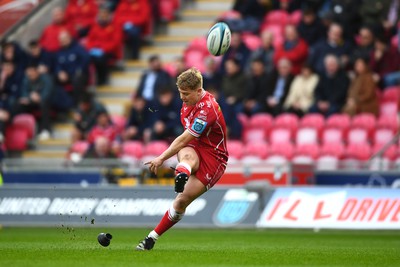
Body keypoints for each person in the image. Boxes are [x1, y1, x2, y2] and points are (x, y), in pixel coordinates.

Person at [136, 68, 229, 251]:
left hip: (214, 157)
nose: (182, 98)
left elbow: (184, 138)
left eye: (186, 94)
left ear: (198, 91)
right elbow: (187, 141)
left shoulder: (207, 109)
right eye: (180, 93)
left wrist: (161, 158)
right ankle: (183, 171)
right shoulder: (188, 102)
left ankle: (152, 236)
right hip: (196, 146)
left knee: (181, 202)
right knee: (185, 154)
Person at [15, 64, 54, 140]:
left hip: (47, 101)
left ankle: (46, 130)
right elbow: (23, 92)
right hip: (31, 101)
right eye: (28, 74)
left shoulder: (46, 78)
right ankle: (21, 132)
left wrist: (39, 97)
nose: (30, 75)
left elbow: (48, 92)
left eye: (31, 73)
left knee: (44, 104)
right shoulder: (26, 79)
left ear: (36, 72)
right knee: (18, 104)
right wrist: (30, 97)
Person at [85, 6, 122, 85]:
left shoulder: (115, 26)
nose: (103, 16)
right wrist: (93, 48)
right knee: (86, 58)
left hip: (110, 52)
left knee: (100, 58)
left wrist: (102, 49)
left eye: (105, 14)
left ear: (109, 15)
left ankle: (103, 79)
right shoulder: (95, 26)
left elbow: (115, 43)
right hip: (96, 51)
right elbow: (90, 41)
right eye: (101, 14)